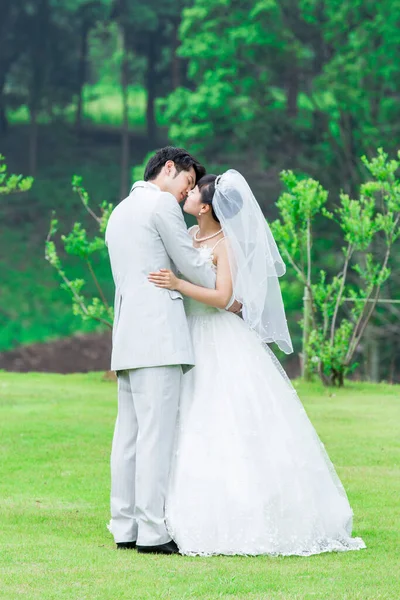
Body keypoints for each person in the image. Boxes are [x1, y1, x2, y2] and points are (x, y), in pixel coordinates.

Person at [148, 170, 366, 556]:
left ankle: (239, 515)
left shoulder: (224, 244)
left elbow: (223, 296)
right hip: (186, 335)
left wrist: (179, 284)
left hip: (217, 336)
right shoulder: (188, 236)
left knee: (221, 419)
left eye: (196, 189)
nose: (189, 190)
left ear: (207, 206)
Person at [105, 147, 219, 554]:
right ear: (168, 168)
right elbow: (190, 263)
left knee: (129, 435)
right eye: (187, 184)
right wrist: (221, 277)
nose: (183, 196)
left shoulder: (119, 212)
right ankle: (153, 532)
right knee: (156, 435)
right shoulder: (161, 207)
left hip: (128, 337)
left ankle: (124, 525)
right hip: (159, 338)